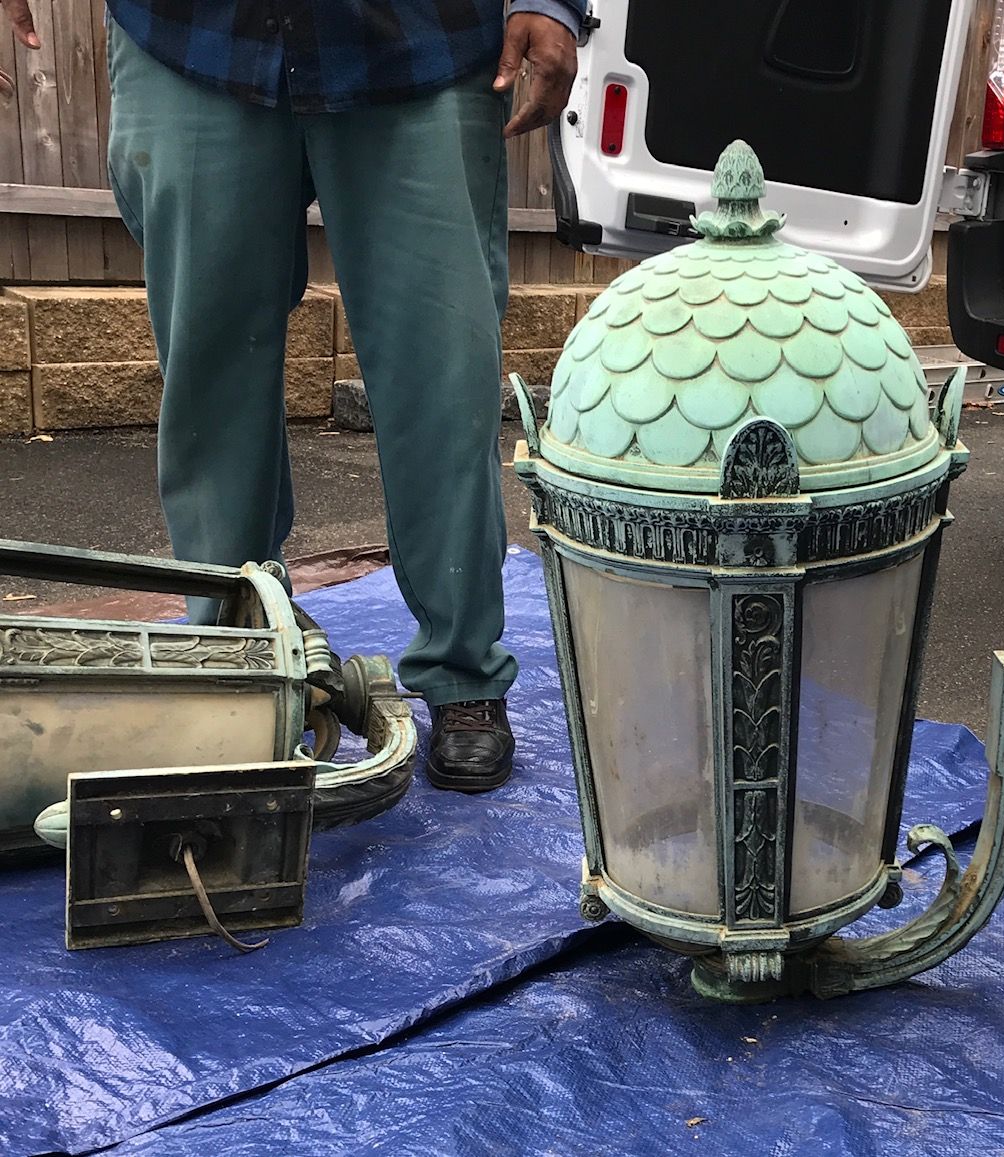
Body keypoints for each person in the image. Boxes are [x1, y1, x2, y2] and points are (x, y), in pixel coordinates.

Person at [0, 0, 582, 794]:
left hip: (421, 40)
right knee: (211, 380)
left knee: (443, 377)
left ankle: (463, 672)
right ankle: (233, 661)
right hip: (191, 36)